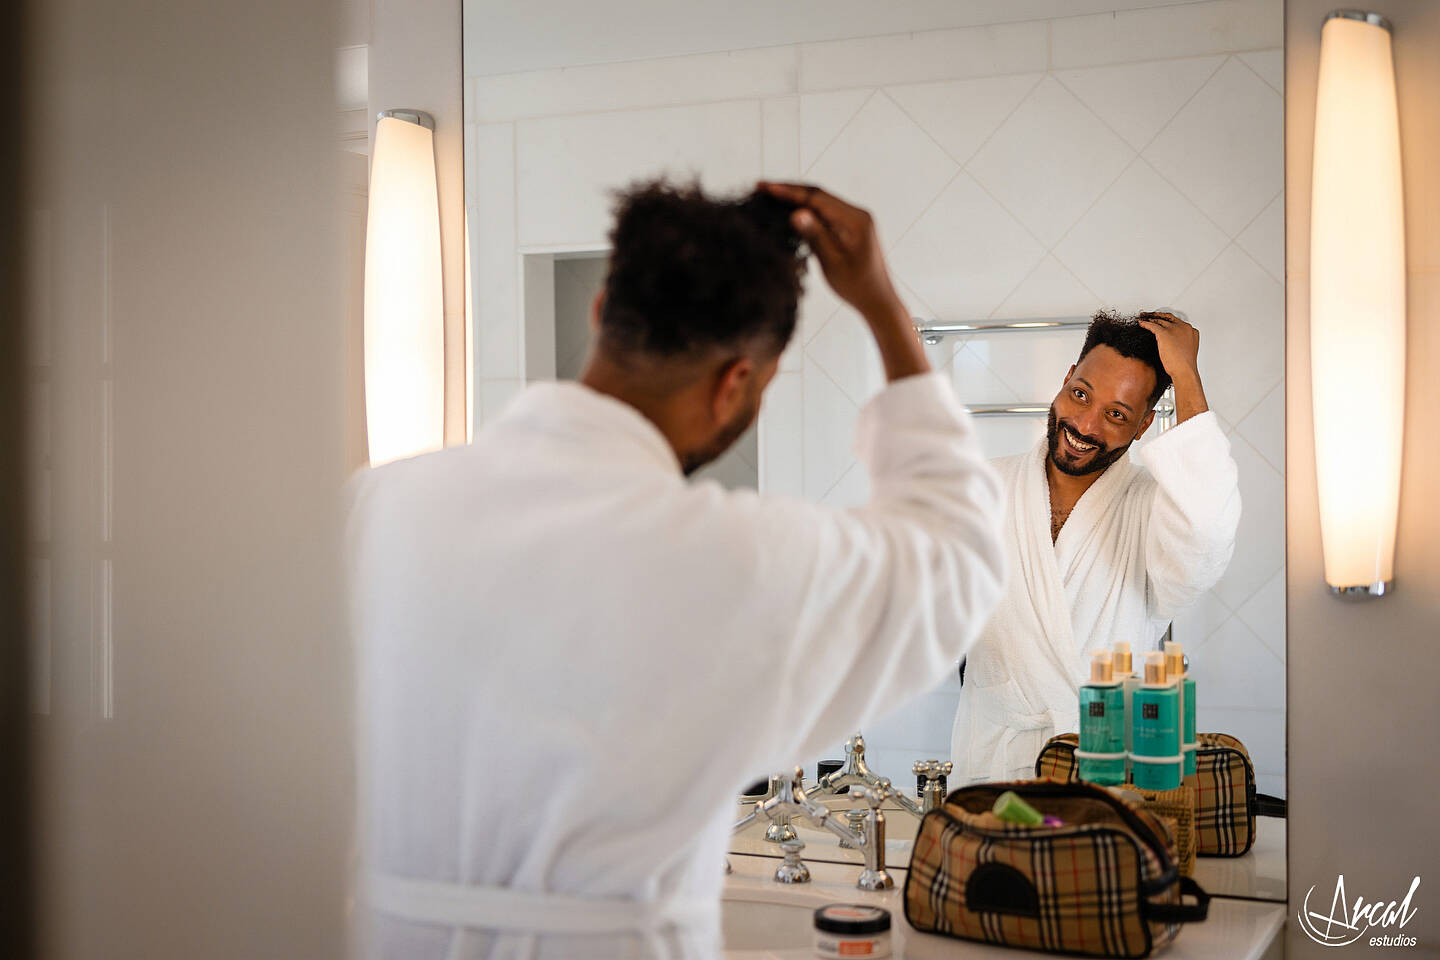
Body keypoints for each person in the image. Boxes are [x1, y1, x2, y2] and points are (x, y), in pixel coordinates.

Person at [347, 179, 1007, 960]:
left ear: (600, 313)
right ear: (738, 384)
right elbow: (958, 549)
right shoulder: (738, 557)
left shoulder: (371, 506)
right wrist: (880, 305)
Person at [949, 311, 1242, 785]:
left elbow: (1206, 533)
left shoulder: (1157, 511)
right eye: (1080, 394)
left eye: (1116, 414)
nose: (1084, 424)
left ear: (1145, 424)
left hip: (1100, 774)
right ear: (1066, 379)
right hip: (990, 770)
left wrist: (1186, 375)